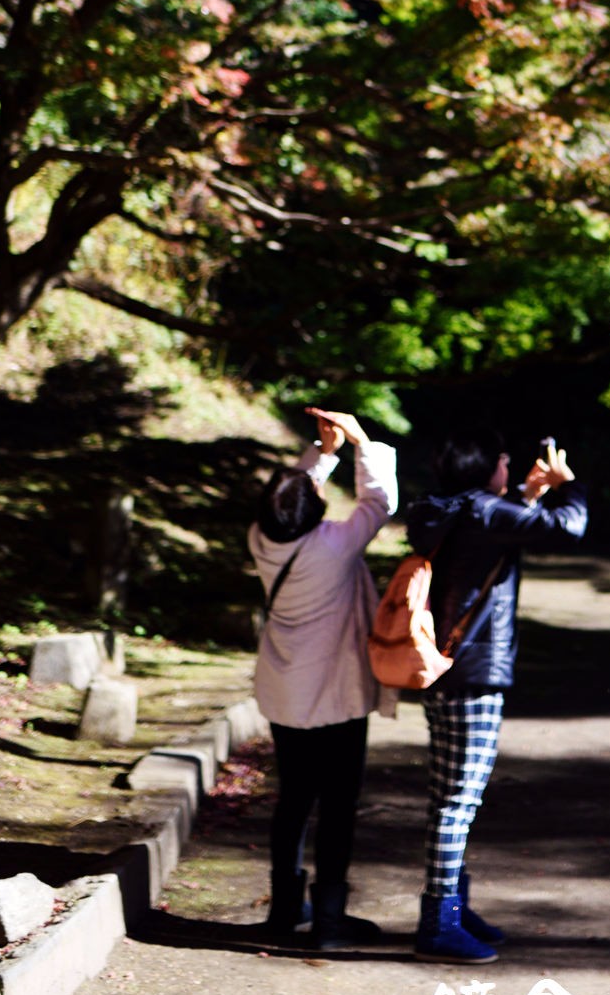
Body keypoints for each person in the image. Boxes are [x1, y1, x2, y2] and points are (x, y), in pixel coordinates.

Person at [405, 427, 587, 962]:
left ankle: (451, 910)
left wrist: (529, 493)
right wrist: (569, 488)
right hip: (476, 673)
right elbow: (567, 530)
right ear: (485, 468)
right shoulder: (485, 511)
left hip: (445, 667)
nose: (508, 468)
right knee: (459, 801)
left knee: (447, 796)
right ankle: (439, 922)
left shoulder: (451, 509)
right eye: (504, 462)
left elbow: (501, 531)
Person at [249, 406, 398, 947]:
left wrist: (325, 453)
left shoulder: (263, 540)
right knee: (337, 804)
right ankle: (330, 919)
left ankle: (285, 911)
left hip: (286, 691)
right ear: (314, 511)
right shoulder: (334, 546)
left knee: (293, 800)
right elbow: (379, 502)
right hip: (336, 695)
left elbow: (287, 500)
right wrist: (360, 444)